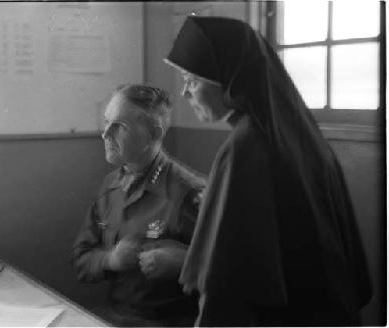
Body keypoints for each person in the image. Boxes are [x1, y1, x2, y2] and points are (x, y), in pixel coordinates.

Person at [164, 16, 372, 326]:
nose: (185, 93)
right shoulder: (296, 132)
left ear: (228, 76)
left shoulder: (246, 145)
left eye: (191, 80)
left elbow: (229, 285)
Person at [72, 84, 206, 327]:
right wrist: (111, 260)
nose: (105, 134)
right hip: (114, 315)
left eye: (120, 126)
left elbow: (231, 272)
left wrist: (185, 263)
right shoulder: (110, 186)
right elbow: (81, 260)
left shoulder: (190, 193)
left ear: (153, 134)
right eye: (106, 122)